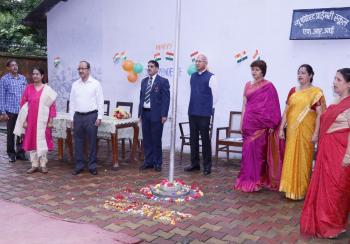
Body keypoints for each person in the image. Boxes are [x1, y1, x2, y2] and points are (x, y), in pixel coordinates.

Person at [300, 68, 350, 238]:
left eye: (339, 79)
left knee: (337, 191)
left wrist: (348, 157)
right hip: (326, 153)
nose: (334, 82)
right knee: (325, 189)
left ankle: (334, 226)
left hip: (340, 154)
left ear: (349, 84)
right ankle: (324, 222)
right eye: (334, 78)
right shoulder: (335, 102)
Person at [234, 60, 284, 192]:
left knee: (258, 154)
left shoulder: (269, 86)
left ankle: (257, 181)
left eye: (256, 69)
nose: (254, 72)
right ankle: (246, 179)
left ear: (263, 71)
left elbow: (273, 106)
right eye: (252, 69)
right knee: (247, 154)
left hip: (261, 125)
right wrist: (242, 121)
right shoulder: (247, 85)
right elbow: (244, 104)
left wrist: (272, 123)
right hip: (248, 123)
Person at [279, 64, 326, 200]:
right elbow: (287, 111)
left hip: (307, 131)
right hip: (292, 131)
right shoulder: (293, 90)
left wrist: (316, 133)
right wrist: (282, 127)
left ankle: (301, 190)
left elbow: (320, 114)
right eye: (299, 73)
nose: (300, 75)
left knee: (304, 159)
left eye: (303, 73)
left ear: (311, 75)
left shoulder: (316, 92)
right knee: (290, 157)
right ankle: (289, 189)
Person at [14, 67, 57, 174]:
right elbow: (23, 105)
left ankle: (43, 165)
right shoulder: (28, 88)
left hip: (43, 121)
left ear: (42, 76)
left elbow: (52, 106)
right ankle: (34, 165)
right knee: (32, 141)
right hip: (31, 121)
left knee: (43, 141)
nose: (35, 76)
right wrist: (24, 120)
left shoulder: (47, 89)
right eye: (33, 74)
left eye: (37, 74)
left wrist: (51, 121)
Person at [184, 54, 218, 176]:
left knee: (205, 140)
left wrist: (208, 108)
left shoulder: (211, 77)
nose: (197, 63)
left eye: (200, 61)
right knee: (193, 139)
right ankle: (195, 164)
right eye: (196, 61)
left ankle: (207, 166)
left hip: (204, 113)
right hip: (192, 111)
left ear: (205, 63)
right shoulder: (192, 76)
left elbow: (215, 96)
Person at [69, 61, 104, 175]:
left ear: (88, 69)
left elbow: (100, 101)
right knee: (78, 142)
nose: (80, 71)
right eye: (79, 68)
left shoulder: (95, 83)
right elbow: (72, 102)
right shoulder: (75, 84)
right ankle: (79, 165)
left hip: (91, 116)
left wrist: (99, 117)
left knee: (92, 142)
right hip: (78, 116)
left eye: (83, 68)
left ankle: (92, 166)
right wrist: (71, 118)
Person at [138, 60, 170, 172]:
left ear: (157, 68)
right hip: (145, 113)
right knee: (146, 139)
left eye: (151, 66)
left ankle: (157, 163)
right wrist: (140, 114)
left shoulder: (163, 81)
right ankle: (148, 162)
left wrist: (164, 114)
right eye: (148, 66)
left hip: (156, 114)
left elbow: (166, 99)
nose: (149, 68)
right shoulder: (144, 81)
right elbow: (141, 98)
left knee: (156, 139)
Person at [0, 60, 27, 162]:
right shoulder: (4, 80)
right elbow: (1, 96)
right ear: (8, 68)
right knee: (11, 133)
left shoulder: (23, 79)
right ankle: (11, 153)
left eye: (16, 65)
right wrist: (3, 112)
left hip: (22, 110)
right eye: (12, 65)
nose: (15, 67)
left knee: (21, 132)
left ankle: (21, 153)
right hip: (10, 111)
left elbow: (26, 95)